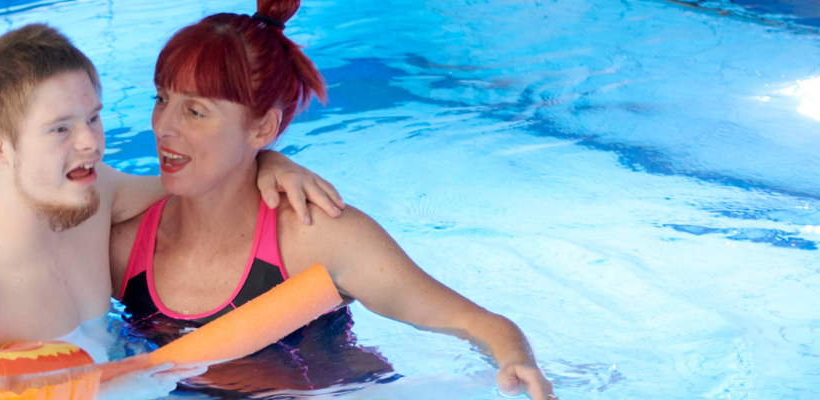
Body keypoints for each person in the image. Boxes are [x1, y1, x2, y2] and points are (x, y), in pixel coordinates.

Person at [108, 1, 557, 399]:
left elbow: (477, 324)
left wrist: (518, 361)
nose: (163, 126)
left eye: (195, 111)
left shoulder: (317, 237)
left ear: (263, 129)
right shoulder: (121, 250)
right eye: (161, 98)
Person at [0, 24, 348, 399]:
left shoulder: (89, 194)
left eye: (93, 119)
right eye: (61, 128)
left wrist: (268, 160)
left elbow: (207, 179)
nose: (91, 144)